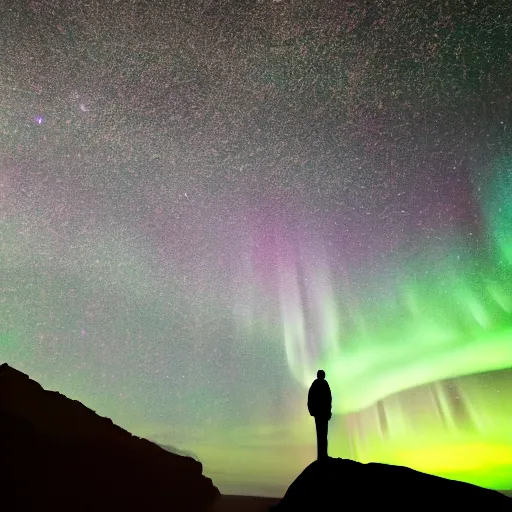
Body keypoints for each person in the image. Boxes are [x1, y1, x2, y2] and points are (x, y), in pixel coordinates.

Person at [308, 369, 332, 460]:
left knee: (321, 434)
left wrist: (312, 411)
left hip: (320, 413)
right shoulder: (323, 384)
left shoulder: (316, 384)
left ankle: (322, 455)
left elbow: (328, 399)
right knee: (323, 434)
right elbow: (328, 399)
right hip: (321, 413)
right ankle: (322, 456)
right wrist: (312, 410)